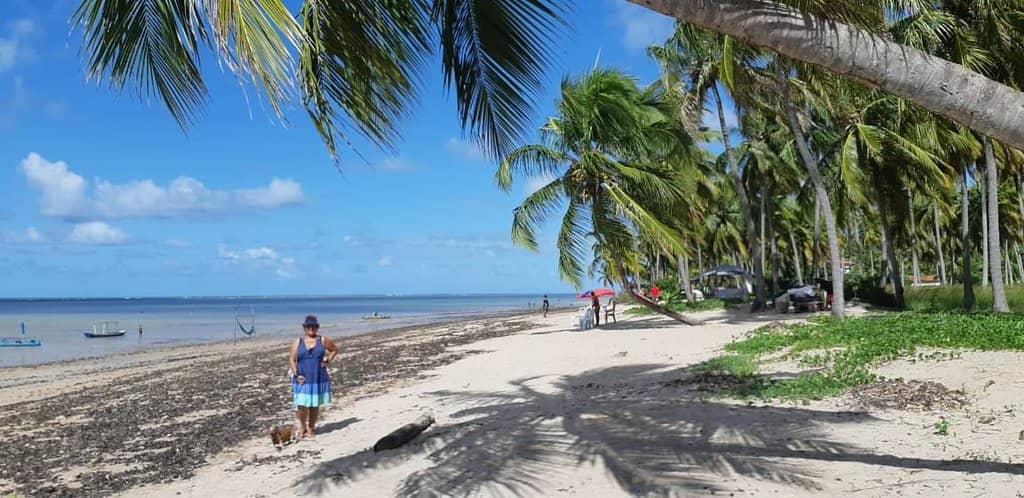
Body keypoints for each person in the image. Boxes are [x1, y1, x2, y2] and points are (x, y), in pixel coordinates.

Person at [289, 315, 339, 439]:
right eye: (308, 326)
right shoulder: (298, 342)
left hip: (318, 376)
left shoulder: (322, 340)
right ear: (304, 328)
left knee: (314, 405)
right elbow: (291, 359)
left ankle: (311, 428)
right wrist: (296, 374)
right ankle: (302, 427)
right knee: (301, 405)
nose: (311, 328)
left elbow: (334, 350)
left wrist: (327, 360)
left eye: (313, 326)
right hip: (302, 378)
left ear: (317, 327)